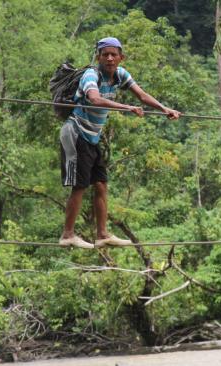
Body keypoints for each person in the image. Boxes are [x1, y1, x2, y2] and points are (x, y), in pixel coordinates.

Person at [59, 37, 181, 249]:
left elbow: (141, 95)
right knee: (80, 186)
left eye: (113, 54)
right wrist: (126, 107)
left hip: (92, 137)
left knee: (100, 184)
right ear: (98, 57)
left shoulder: (120, 75)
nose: (109, 58)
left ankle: (103, 234)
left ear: (121, 57)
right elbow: (95, 99)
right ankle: (68, 234)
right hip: (76, 133)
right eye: (105, 54)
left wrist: (165, 109)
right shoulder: (91, 75)